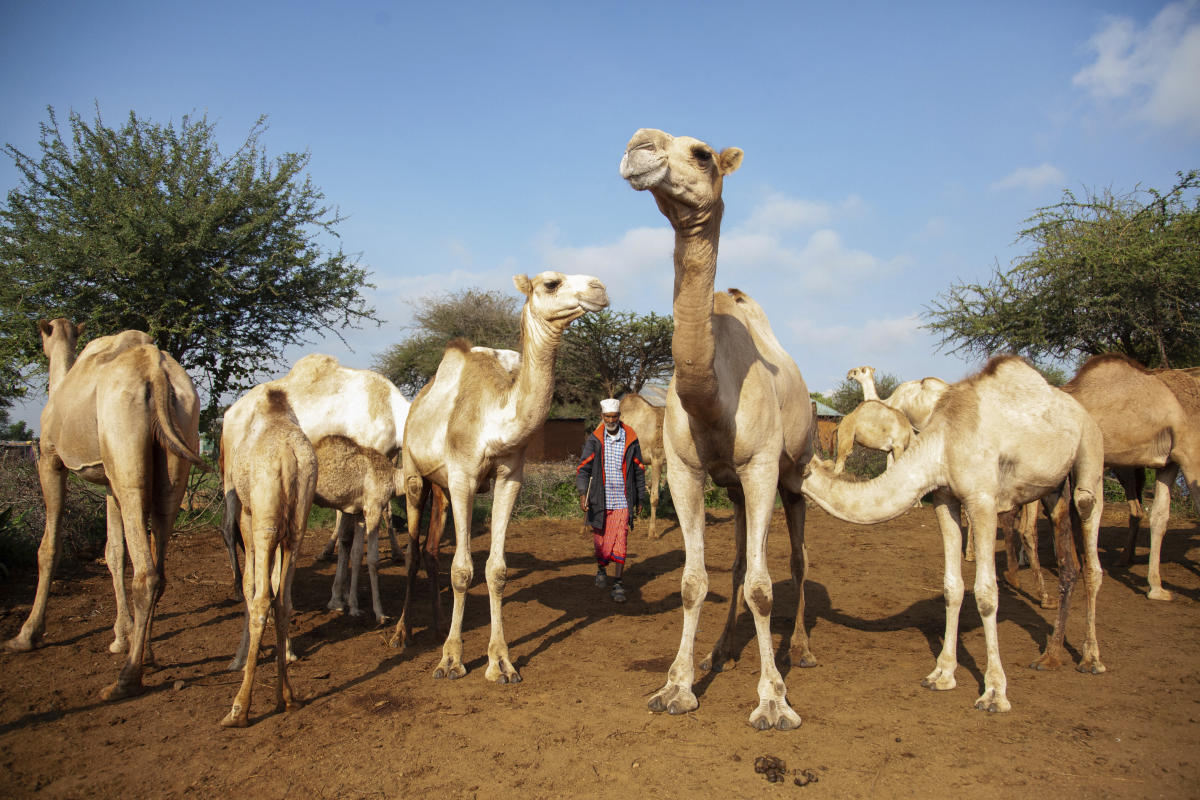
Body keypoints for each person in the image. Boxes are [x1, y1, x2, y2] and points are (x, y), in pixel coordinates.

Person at [577, 397, 648, 603]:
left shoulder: (630, 439)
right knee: (601, 542)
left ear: (619, 416)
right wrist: (583, 493)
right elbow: (583, 469)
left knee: (620, 541)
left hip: (623, 501)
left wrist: (640, 497)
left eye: (614, 416)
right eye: (607, 416)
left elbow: (638, 469)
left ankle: (618, 583)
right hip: (600, 499)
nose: (610, 420)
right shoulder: (595, 440)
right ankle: (601, 567)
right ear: (602, 416)